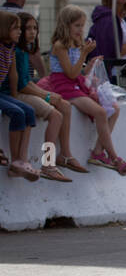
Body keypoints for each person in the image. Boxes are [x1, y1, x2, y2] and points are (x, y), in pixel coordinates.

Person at [40, 5, 126, 174]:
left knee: (113, 109)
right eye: (77, 25)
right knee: (101, 112)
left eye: (82, 25)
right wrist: (84, 54)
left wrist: (88, 66)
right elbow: (70, 73)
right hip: (64, 86)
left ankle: (97, 152)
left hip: (74, 84)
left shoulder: (75, 44)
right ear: (66, 25)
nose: (81, 29)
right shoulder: (60, 46)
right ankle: (113, 157)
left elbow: (76, 72)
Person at [3, 12, 76, 179]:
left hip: (23, 92)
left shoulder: (23, 51)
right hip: (17, 94)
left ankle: (64, 153)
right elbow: (22, 85)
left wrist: (47, 95)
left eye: (35, 28)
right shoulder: (18, 52)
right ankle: (48, 163)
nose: (32, 32)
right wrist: (48, 96)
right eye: (27, 28)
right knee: (56, 116)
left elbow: (26, 82)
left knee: (63, 106)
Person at [0, 11, 47, 180]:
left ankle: (24, 159)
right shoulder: (7, 49)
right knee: (19, 113)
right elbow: (18, 79)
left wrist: (14, 98)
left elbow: (14, 76)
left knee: (29, 111)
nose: (19, 32)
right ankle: (20, 161)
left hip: (7, 93)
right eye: (16, 28)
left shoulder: (11, 48)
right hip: (5, 93)